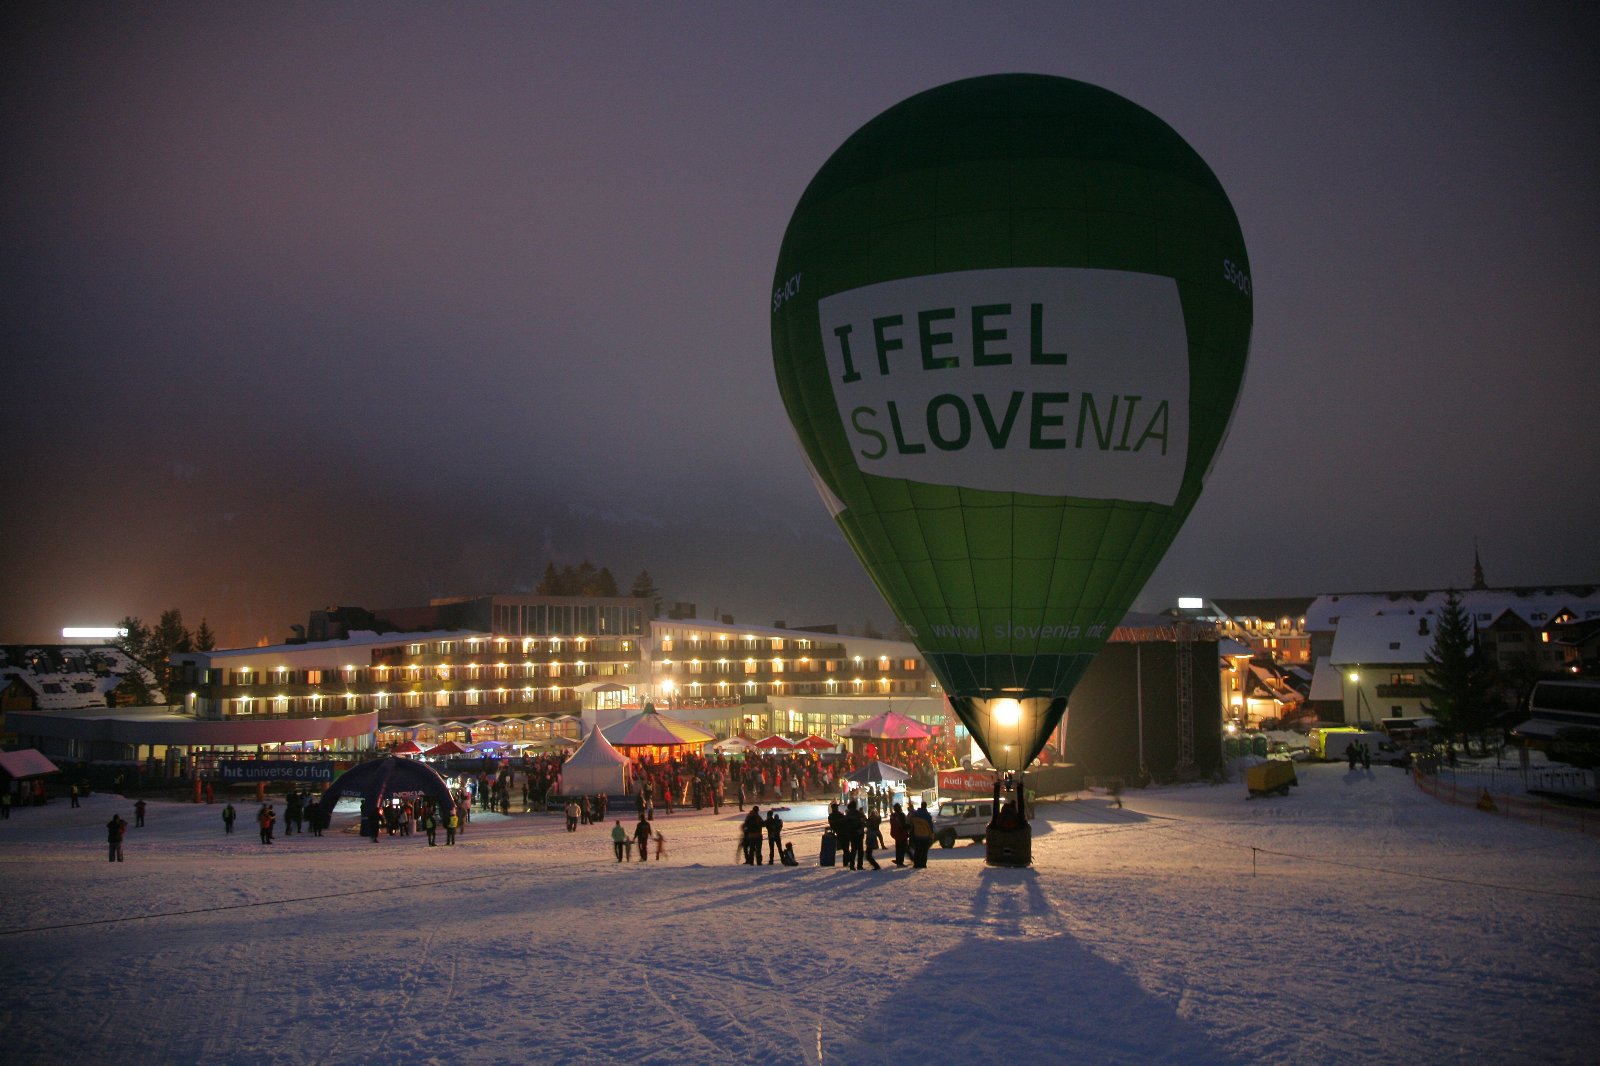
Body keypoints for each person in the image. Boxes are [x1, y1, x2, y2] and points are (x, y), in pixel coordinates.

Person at [908, 801, 934, 868]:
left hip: (917, 835)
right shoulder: (927, 816)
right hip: (925, 836)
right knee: (924, 851)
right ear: (926, 806)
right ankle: (923, 864)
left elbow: (911, 822)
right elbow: (930, 827)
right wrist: (931, 835)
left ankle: (916, 864)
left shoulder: (915, 814)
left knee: (917, 850)